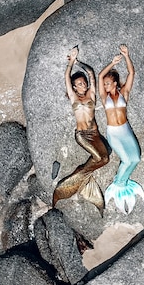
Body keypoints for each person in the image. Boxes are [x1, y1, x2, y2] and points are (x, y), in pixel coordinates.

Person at [53, 46, 109, 213]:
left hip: (95, 134)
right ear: (74, 87)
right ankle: (76, 179)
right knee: (101, 159)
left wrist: (79, 63)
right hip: (82, 135)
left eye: (84, 83)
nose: (83, 84)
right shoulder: (73, 97)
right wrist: (71, 63)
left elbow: (91, 73)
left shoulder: (91, 95)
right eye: (79, 83)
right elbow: (66, 76)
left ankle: (80, 176)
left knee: (104, 159)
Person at [98, 44, 144, 214]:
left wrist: (126, 56)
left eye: (108, 84)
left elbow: (132, 73)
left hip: (126, 130)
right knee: (126, 160)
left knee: (136, 159)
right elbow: (100, 75)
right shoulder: (104, 98)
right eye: (105, 84)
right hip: (114, 133)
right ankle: (119, 184)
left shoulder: (124, 93)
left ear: (115, 83)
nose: (106, 86)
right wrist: (112, 63)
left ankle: (122, 183)